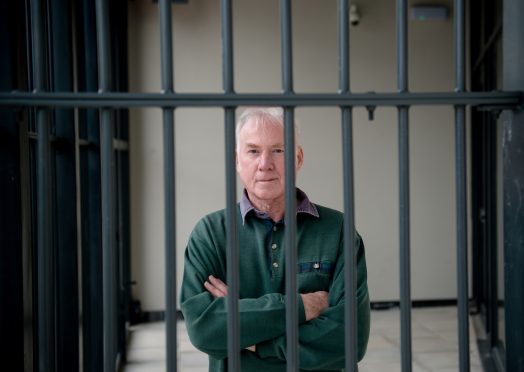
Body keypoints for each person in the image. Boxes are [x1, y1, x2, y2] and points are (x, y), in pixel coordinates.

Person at [180, 107, 370, 371]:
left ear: (298, 158)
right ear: (237, 160)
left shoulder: (338, 230)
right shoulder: (210, 234)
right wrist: (302, 306)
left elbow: (352, 340)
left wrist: (252, 338)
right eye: (253, 150)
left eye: (278, 150)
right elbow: (204, 329)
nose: (265, 163)